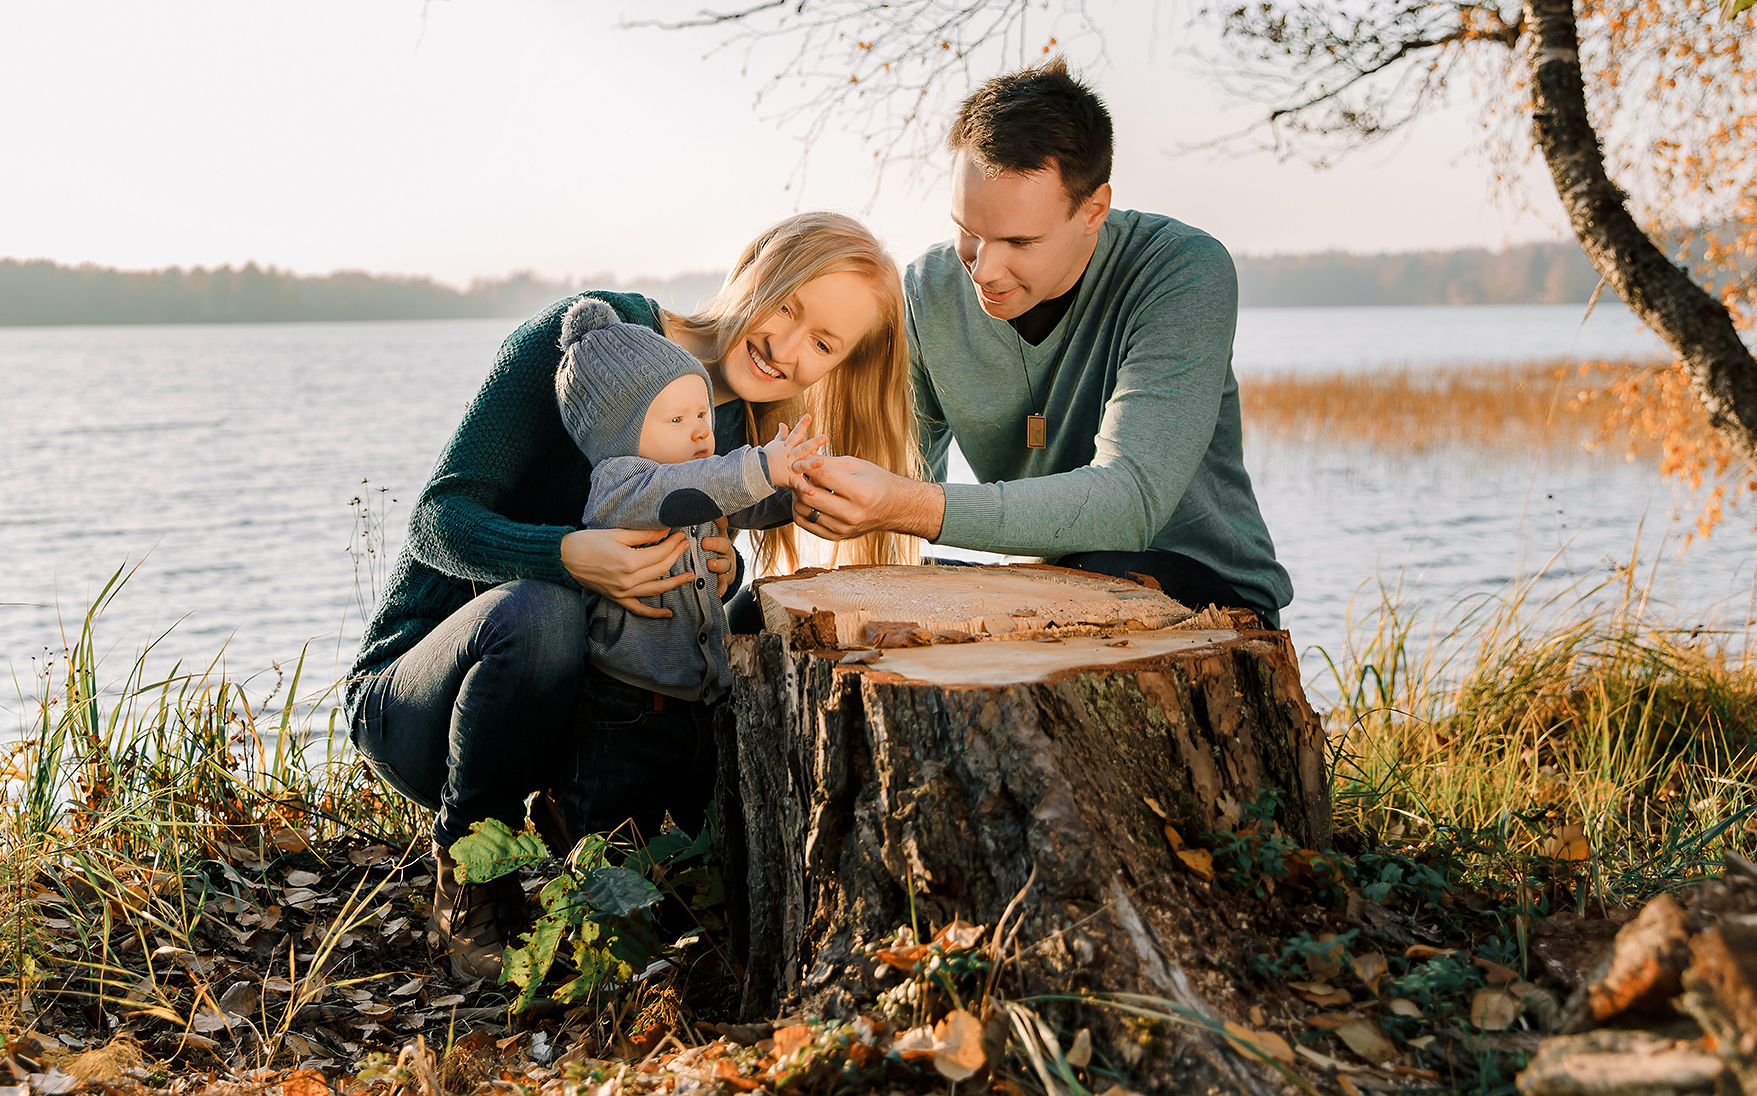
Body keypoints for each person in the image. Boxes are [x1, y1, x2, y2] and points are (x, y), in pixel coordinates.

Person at [343, 213, 918, 979]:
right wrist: (568, 557)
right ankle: (473, 877)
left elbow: (663, 577)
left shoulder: (739, 426)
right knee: (542, 611)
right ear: (755, 271)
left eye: (823, 344)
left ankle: (659, 843)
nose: (787, 346)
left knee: (760, 619)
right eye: (788, 307)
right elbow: (434, 523)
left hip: (578, 723)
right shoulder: (593, 345)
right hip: (426, 702)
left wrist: (719, 574)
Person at [791, 61, 1292, 623]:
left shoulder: (1182, 270)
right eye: (969, 232)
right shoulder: (925, 291)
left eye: (1019, 241)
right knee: (766, 612)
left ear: (1093, 211)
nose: (983, 270)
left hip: (1206, 588)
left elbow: (1130, 502)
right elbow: (903, 480)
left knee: (1095, 567)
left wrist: (908, 506)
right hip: (1045, 585)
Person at [550, 297, 822, 845]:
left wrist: (797, 493)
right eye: (677, 419)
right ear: (619, 432)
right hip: (624, 710)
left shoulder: (691, 476)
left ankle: (701, 906)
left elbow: (744, 502)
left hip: (697, 701)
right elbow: (692, 493)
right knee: (612, 840)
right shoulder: (623, 484)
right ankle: (607, 920)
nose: (701, 432)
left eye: (702, 414)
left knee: (719, 829)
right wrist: (761, 463)